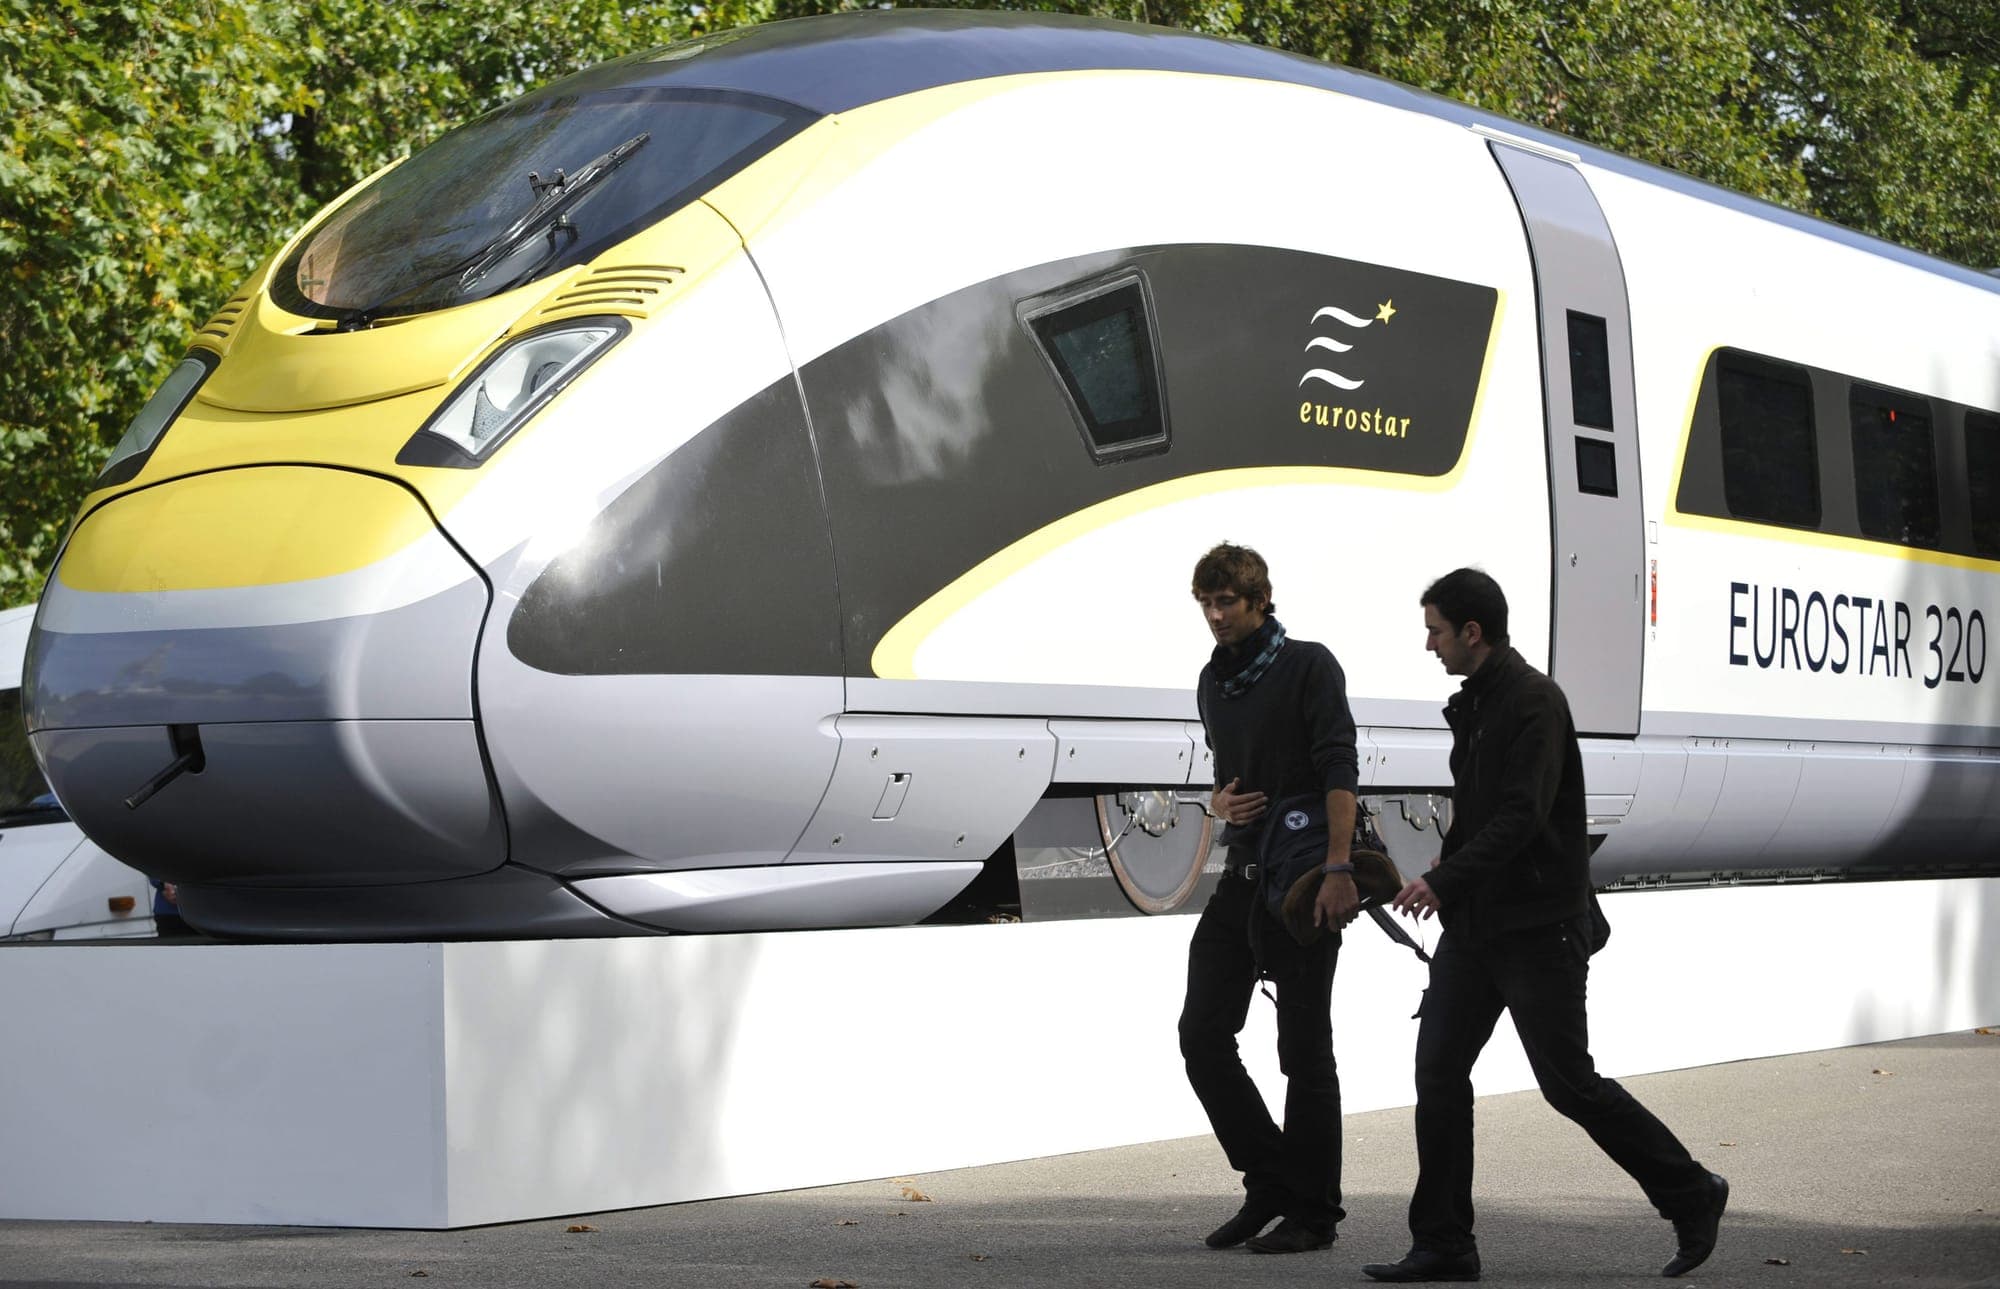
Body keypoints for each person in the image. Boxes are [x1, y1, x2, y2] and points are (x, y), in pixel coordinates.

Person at [1361, 569, 1727, 1283]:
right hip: (1478, 929)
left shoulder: (1534, 702)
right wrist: (1453, 859)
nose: (1428, 642)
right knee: (1438, 1071)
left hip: (1538, 928)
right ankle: (1444, 1243)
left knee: (1569, 1084)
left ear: (1473, 632)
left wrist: (1444, 878)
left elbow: (1523, 815)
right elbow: (1484, 809)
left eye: (1436, 629)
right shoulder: (1479, 704)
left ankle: (1691, 1190)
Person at [1181, 542, 1361, 1255]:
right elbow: (1227, 782)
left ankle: (1314, 1212)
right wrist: (1218, 803)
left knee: (1304, 1052)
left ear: (1260, 600)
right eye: (1206, 604)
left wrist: (1342, 867)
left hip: (1307, 877)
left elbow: (1339, 767)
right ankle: (1271, 1178)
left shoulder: (1309, 665)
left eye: (1227, 602)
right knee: (1202, 1034)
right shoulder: (1212, 681)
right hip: (1244, 877)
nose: (1217, 616)